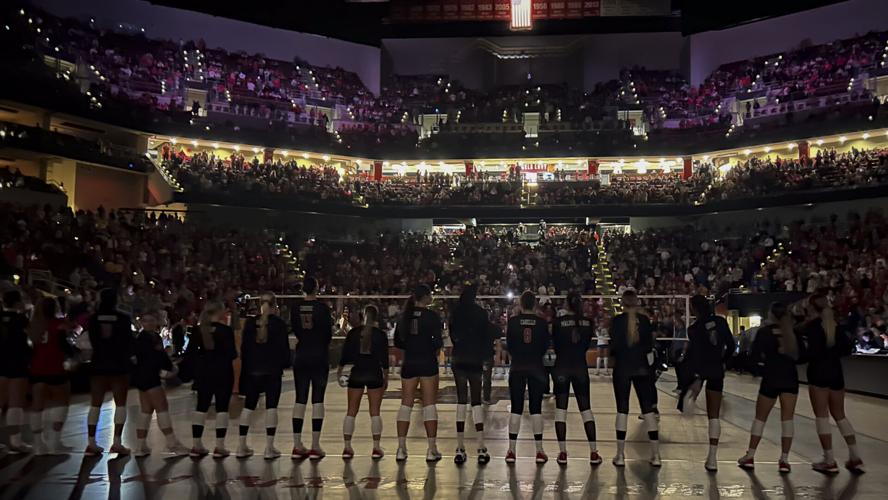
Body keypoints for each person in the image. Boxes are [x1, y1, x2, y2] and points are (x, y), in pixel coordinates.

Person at [799, 291, 864, 474]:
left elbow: (806, 354)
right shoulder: (837, 326)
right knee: (840, 415)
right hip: (836, 373)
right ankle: (855, 457)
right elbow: (847, 348)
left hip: (818, 374)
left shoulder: (811, 328)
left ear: (812, 308)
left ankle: (829, 460)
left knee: (822, 416)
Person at [738, 302, 803, 473]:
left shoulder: (764, 333)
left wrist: (757, 370)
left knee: (760, 418)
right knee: (787, 420)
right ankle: (784, 459)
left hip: (771, 378)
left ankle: (750, 456)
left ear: (771, 315)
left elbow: (753, 356)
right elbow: (801, 356)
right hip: (790, 378)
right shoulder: (792, 332)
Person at [680, 295, 736, 471]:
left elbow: (696, 354)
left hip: (702, 369)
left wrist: (696, 376)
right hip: (716, 370)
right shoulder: (720, 322)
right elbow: (731, 346)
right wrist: (723, 361)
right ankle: (712, 458)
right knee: (714, 416)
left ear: (694, 309)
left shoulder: (694, 329)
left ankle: (690, 394)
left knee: (692, 391)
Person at [236, 293, 291, 460]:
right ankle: (269, 447)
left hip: (253, 371)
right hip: (272, 371)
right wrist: (284, 364)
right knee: (271, 407)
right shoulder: (279, 325)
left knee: (248, 407)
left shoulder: (250, 323)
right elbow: (284, 350)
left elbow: (244, 349)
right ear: (275, 306)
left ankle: (241, 445)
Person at [609, 290, 660, 467]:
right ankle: (656, 455)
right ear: (637, 302)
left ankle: (620, 455)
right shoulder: (645, 321)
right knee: (648, 410)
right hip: (642, 368)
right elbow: (649, 346)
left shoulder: (616, 322)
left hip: (622, 368)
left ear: (622, 303)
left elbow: (613, 347)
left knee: (622, 409)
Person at [394, 284, 443, 462]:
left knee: (406, 404)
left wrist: (412, 346)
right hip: (427, 362)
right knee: (429, 404)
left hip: (410, 362)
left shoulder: (403, 317)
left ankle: (401, 448)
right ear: (426, 297)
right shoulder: (432, 317)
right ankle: (431, 449)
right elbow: (437, 342)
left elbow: (398, 342)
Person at [552, 292, 601, 466]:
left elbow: (556, 345)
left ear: (567, 304)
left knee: (560, 410)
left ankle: (563, 452)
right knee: (586, 409)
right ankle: (594, 452)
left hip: (562, 367)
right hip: (580, 367)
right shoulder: (588, 323)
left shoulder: (558, 323)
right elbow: (587, 344)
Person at [131, 311, 189, 457]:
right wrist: (165, 372)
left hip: (143, 379)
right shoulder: (143, 340)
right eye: (146, 321)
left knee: (146, 411)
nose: (149, 323)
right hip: (150, 378)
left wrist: (169, 366)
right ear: (142, 323)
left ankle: (140, 446)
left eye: (152, 320)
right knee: (161, 408)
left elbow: (161, 356)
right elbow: (151, 360)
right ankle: (172, 443)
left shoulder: (153, 337)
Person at [85, 288, 134, 456]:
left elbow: (91, 340)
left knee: (95, 404)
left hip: (98, 363)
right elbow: (129, 342)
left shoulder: (93, 319)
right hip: (119, 365)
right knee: (120, 404)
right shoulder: (123, 319)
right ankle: (117, 442)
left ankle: (91, 442)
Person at [448, 284, 493, 465]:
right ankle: (481, 447)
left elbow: (453, 336)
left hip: (459, 359)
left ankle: (460, 447)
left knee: (461, 401)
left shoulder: (456, 312)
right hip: (475, 360)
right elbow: (486, 337)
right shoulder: (481, 313)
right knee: (476, 402)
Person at [187, 301, 237, 458]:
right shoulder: (226, 331)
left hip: (203, 373)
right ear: (220, 313)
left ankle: (196, 445)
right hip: (222, 372)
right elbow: (232, 354)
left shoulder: (197, 330)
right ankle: (219, 446)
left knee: (201, 407)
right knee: (222, 408)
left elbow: (190, 354)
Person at [504, 290, 550, 464]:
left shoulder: (513, 322)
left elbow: (509, 345)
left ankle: (511, 451)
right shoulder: (542, 323)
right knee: (536, 409)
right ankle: (539, 451)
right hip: (536, 367)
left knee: (516, 409)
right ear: (535, 304)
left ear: (521, 304)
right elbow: (545, 346)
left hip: (517, 366)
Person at [290, 277, 333, 460]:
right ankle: (315, 445)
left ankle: (297, 444)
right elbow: (328, 334)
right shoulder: (322, 309)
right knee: (317, 400)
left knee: (300, 399)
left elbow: (296, 330)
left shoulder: (295, 308)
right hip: (318, 355)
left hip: (301, 354)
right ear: (316, 288)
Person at [338, 304, 389, 460]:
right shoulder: (380, 335)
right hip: (374, 374)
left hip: (357, 373)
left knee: (351, 412)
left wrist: (339, 372)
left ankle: (347, 447)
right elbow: (385, 360)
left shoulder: (353, 333)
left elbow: (345, 355)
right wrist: (385, 377)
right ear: (376, 317)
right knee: (375, 412)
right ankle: (376, 448)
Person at [28, 296, 74, 455]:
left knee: (37, 406)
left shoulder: (33, 326)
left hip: (36, 369)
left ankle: (37, 444)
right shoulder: (59, 325)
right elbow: (65, 346)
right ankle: (55, 441)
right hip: (55, 367)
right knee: (61, 402)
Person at [0, 290, 33, 453]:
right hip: (17, 363)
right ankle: (15, 441)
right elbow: (30, 340)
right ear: (18, 302)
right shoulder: (21, 319)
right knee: (15, 403)